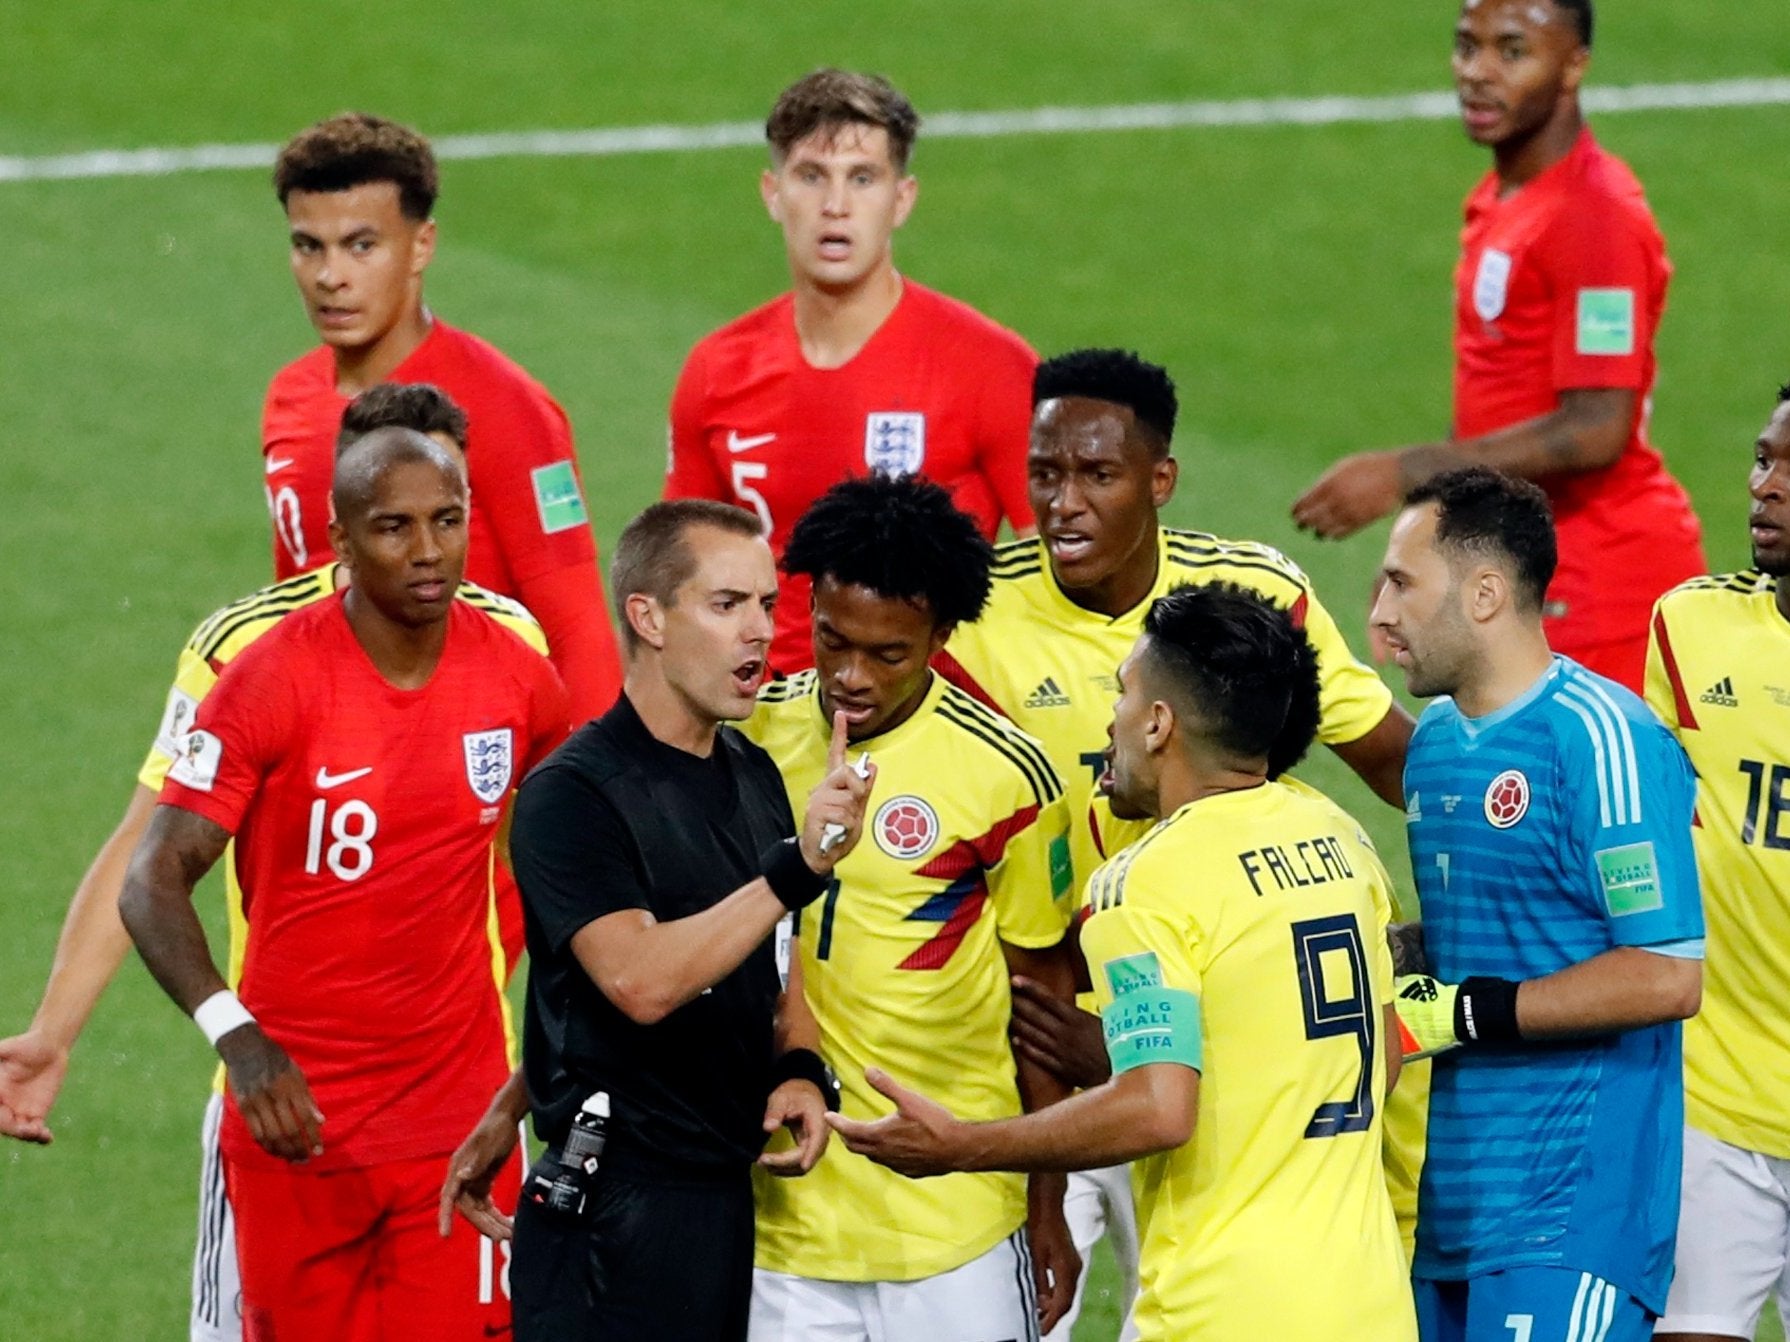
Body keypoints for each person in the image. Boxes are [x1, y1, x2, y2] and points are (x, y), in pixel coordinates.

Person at [0, 385, 544, 1342]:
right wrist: (209, 1034)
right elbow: (149, 860)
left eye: (446, 519)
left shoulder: (513, 659)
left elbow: (576, 858)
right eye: (394, 524)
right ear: (339, 530)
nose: (426, 550)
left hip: (460, 1110)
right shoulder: (253, 663)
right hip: (290, 1109)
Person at [935, 347, 1418, 1332]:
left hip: (1176, 1059)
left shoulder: (1247, 602)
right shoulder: (970, 616)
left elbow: (1399, 762)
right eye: (1042, 474)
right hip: (1032, 1043)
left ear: (1158, 481)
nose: (1061, 504)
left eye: (1096, 475)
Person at [832, 583, 1418, 1341]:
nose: (1110, 720)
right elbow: (1382, 1063)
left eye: (1121, 695)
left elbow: (1158, 1105)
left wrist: (963, 1145)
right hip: (1365, 1302)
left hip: (1227, 1311)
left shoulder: (1144, 881)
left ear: (1158, 724)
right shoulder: (1340, 837)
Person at [447, 500, 874, 1341]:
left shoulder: (751, 775)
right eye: (726, 606)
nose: (759, 632)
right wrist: (799, 868)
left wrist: (798, 1068)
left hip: (717, 1200)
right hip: (611, 1218)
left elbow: (776, 974)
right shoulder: (573, 796)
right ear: (647, 617)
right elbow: (639, 981)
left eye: (766, 605)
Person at [740, 476, 1078, 1339]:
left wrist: (1048, 1207)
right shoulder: (750, 744)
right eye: (831, 641)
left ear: (940, 636)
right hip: (785, 1215)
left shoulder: (1008, 775)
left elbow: (1038, 998)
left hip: (954, 1219)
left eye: (887, 654)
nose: (851, 676)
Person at [1375, 467, 1703, 1342]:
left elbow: (1668, 973)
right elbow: (1485, 938)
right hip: (1454, 1209)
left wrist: (1472, 1012)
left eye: (1402, 583)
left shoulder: (1606, 740)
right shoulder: (1437, 748)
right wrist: (1388, 957)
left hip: (1572, 1216)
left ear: (1485, 594)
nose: (1379, 614)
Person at [1291, 0, 1704, 694]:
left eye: (1512, 52)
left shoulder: (1594, 217)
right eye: (1466, 46)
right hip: (1518, 567)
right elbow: (1496, 395)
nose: (1478, 73)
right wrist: (1429, 539)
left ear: (1575, 64)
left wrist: (1406, 475)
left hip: (1597, 582)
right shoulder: (1507, 196)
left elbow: (1597, 427)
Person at [664, 68, 1037, 673]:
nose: (835, 206)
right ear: (773, 193)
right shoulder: (716, 370)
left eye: (862, 179)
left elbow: (1059, 576)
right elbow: (680, 576)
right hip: (765, 725)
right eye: (812, 176)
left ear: (902, 199)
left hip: (935, 726)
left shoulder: (990, 368)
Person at [265, 111, 621, 718]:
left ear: (420, 246)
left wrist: (601, 799)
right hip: (332, 755)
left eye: (360, 246)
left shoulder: (507, 407)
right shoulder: (290, 398)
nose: (330, 277)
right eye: (308, 247)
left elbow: (578, 630)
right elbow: (292, 605)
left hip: (468, 760)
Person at [1647, 386, 1790, 1342]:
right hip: (1713, 1099)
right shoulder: (1690, 633)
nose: (1764, 488)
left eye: (1788, 472)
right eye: (1762, 459)